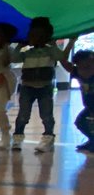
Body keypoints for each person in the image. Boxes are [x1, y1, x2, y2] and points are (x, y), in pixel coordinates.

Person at [10, 16, 62, 153]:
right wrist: (20, 46)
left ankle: (48, 138)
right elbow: (14, 58)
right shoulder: (27, 52)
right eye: (32, 35)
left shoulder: (49, 51)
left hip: (45, 87)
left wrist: (53, 44)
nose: (35, 38)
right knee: (23, 115)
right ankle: (17, 138)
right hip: (27, 87)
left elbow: (60, 57)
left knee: (46, 115)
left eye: (39, 35)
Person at [60, 42, 94, 153]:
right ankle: (92, 141)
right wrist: (71, 42)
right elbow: (63, 60)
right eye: (82, 66)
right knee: (80, 123)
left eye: (89, 65)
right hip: (89, 106)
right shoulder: (77, 72)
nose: (86, 69)